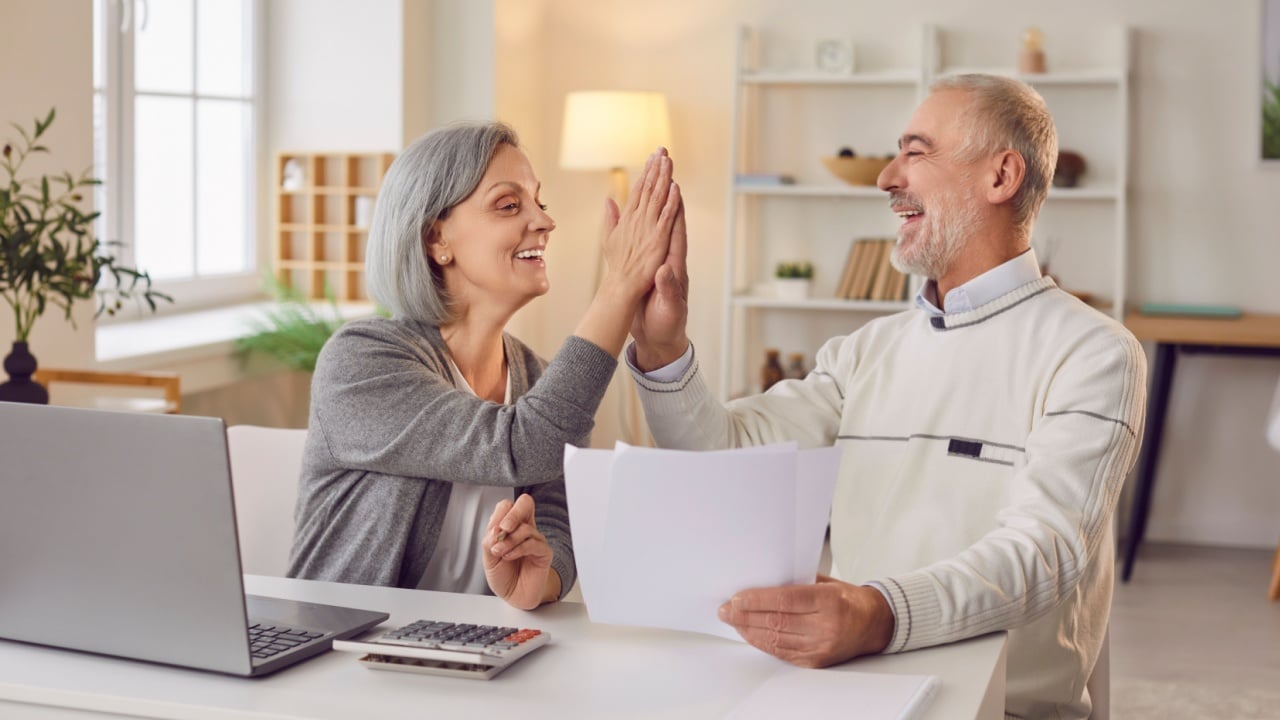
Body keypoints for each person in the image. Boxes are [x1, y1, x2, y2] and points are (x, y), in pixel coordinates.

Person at [627, 74, 1146, 719]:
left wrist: (877, 615)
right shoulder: (863, 351)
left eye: (916, 151)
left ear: (1001, 176)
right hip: (852, 691)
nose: (886, 178)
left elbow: (1043, 552)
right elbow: (727, 455)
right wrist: (661, 348)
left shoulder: (1094, 352)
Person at [288, 122, 682, 610]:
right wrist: (618, 289)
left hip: (472, 656)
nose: (544, 221)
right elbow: (521, 444)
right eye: (510, 205)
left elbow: (556, 520)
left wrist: (542, 576)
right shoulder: (361, 361)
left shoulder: (536, 379)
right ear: (437, 239)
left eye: (541, 202)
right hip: (341, 657)